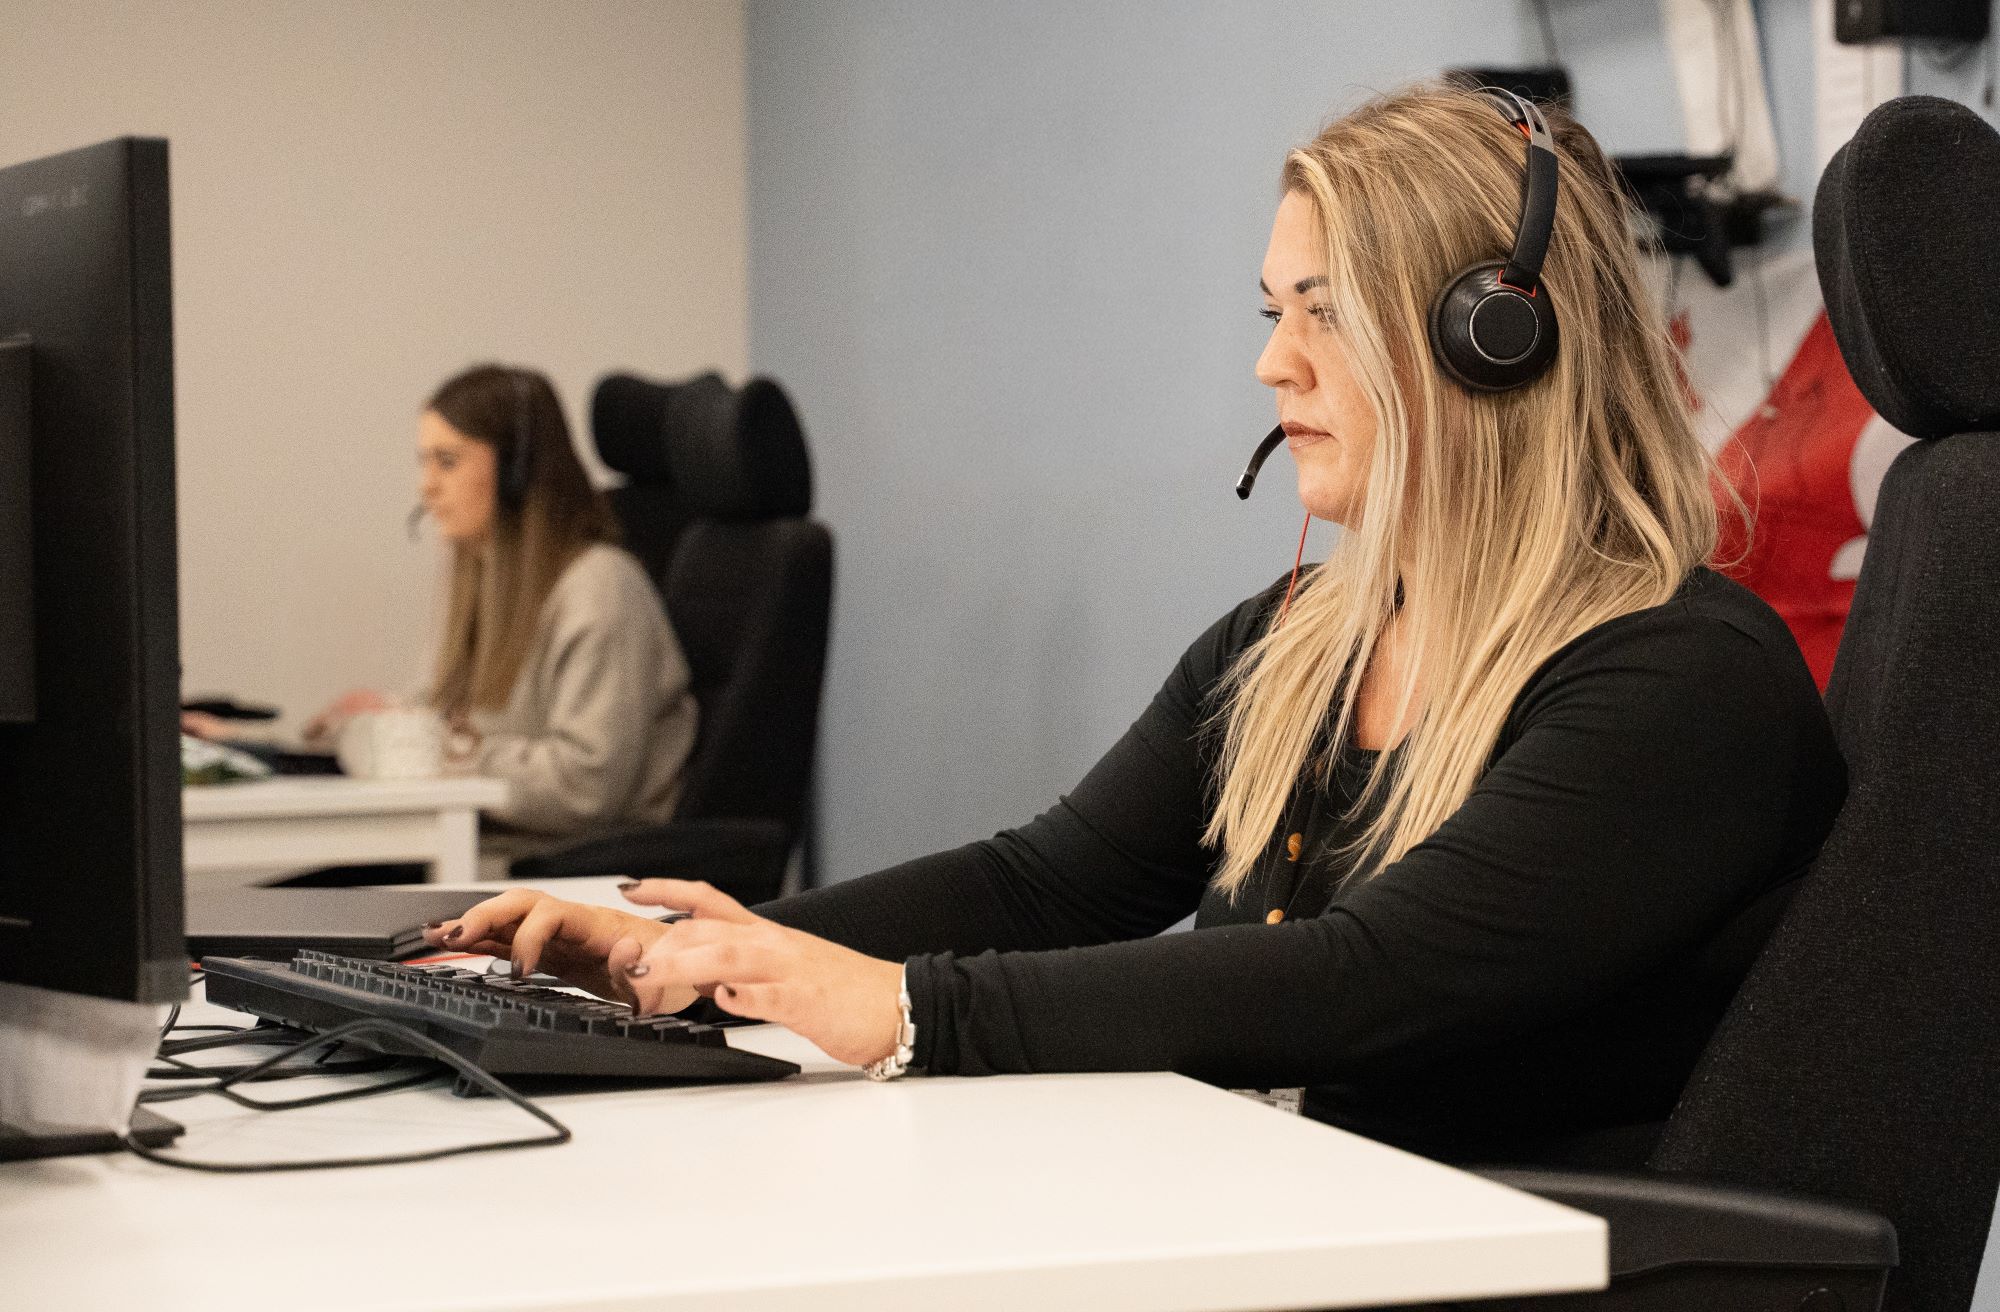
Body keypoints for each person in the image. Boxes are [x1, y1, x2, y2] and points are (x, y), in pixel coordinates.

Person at [423, 85, 1845, 1166]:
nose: (1270, 360)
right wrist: (713, 965)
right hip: (1260, 1206)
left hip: (1470, 1255)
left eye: (1324, 313)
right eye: (1272, 309)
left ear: (1497, 339)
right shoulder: (1296, 639)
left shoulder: (1677, 679)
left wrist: (910, 1010)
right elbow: (1051, 883)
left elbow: (1367, 980)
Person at [303, 364, 699, 854]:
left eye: (447, 462)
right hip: (487, 853)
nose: (425, 488)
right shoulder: (481, 582)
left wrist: (451, 750)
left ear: (516, 472)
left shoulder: (601, 586)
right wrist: (384, 723)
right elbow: (451, 718)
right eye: (423, 462)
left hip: (575, 871)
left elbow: (586, 787)